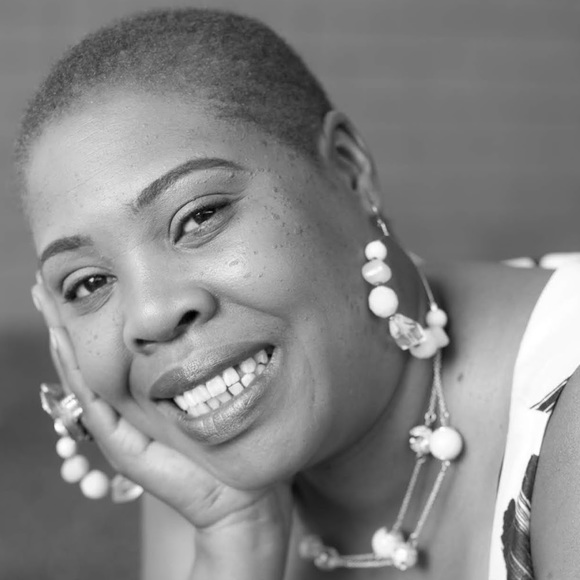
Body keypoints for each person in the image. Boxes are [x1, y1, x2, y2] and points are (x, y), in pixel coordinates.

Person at [17, 7, 580, 580]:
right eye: (88, 283)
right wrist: (232, 539)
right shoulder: (201, 459)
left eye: (200, 216)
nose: (151, 315)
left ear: (349, 170)